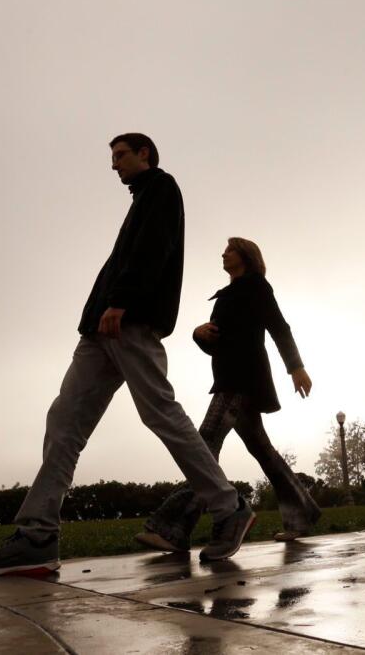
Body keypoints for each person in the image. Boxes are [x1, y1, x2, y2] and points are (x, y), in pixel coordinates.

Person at [0, 133, 255, 576]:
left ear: (145, 155)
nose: (113, 165)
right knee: (64, 422)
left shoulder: (161, 187)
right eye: (112, 157)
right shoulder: (140, 198)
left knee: (159, 412)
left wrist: (121, 300)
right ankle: (37, 536)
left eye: (120, 156)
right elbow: (130, 255)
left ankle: (227, 506)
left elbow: (153, 249)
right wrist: (102, 309)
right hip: (100, 328)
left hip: (128, 321)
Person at [135, 237, 321, 553]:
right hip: (228, 379)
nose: (223, 253)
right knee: (263, 452)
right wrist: (198, 334)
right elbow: (217, 342)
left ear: (245, 256)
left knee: (204, 444)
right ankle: (302, 512)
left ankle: (175, 527)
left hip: (242, 379)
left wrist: (296, 367)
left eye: (230, 249)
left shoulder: (257, 286)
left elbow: (279, 327)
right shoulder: (227, 295)